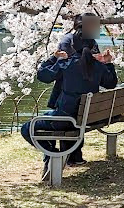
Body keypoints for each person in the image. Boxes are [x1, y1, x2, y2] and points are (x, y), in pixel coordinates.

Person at [22, 13, 117, 170]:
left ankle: (54, 155)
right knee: (53, 118)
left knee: (28, 127)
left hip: (67, 118)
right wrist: (107, 63)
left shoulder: (67, 64)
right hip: (86, 117)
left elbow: (43, 76)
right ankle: (66, 156)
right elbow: (111, 84)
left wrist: (55, 58)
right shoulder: (97, 66)